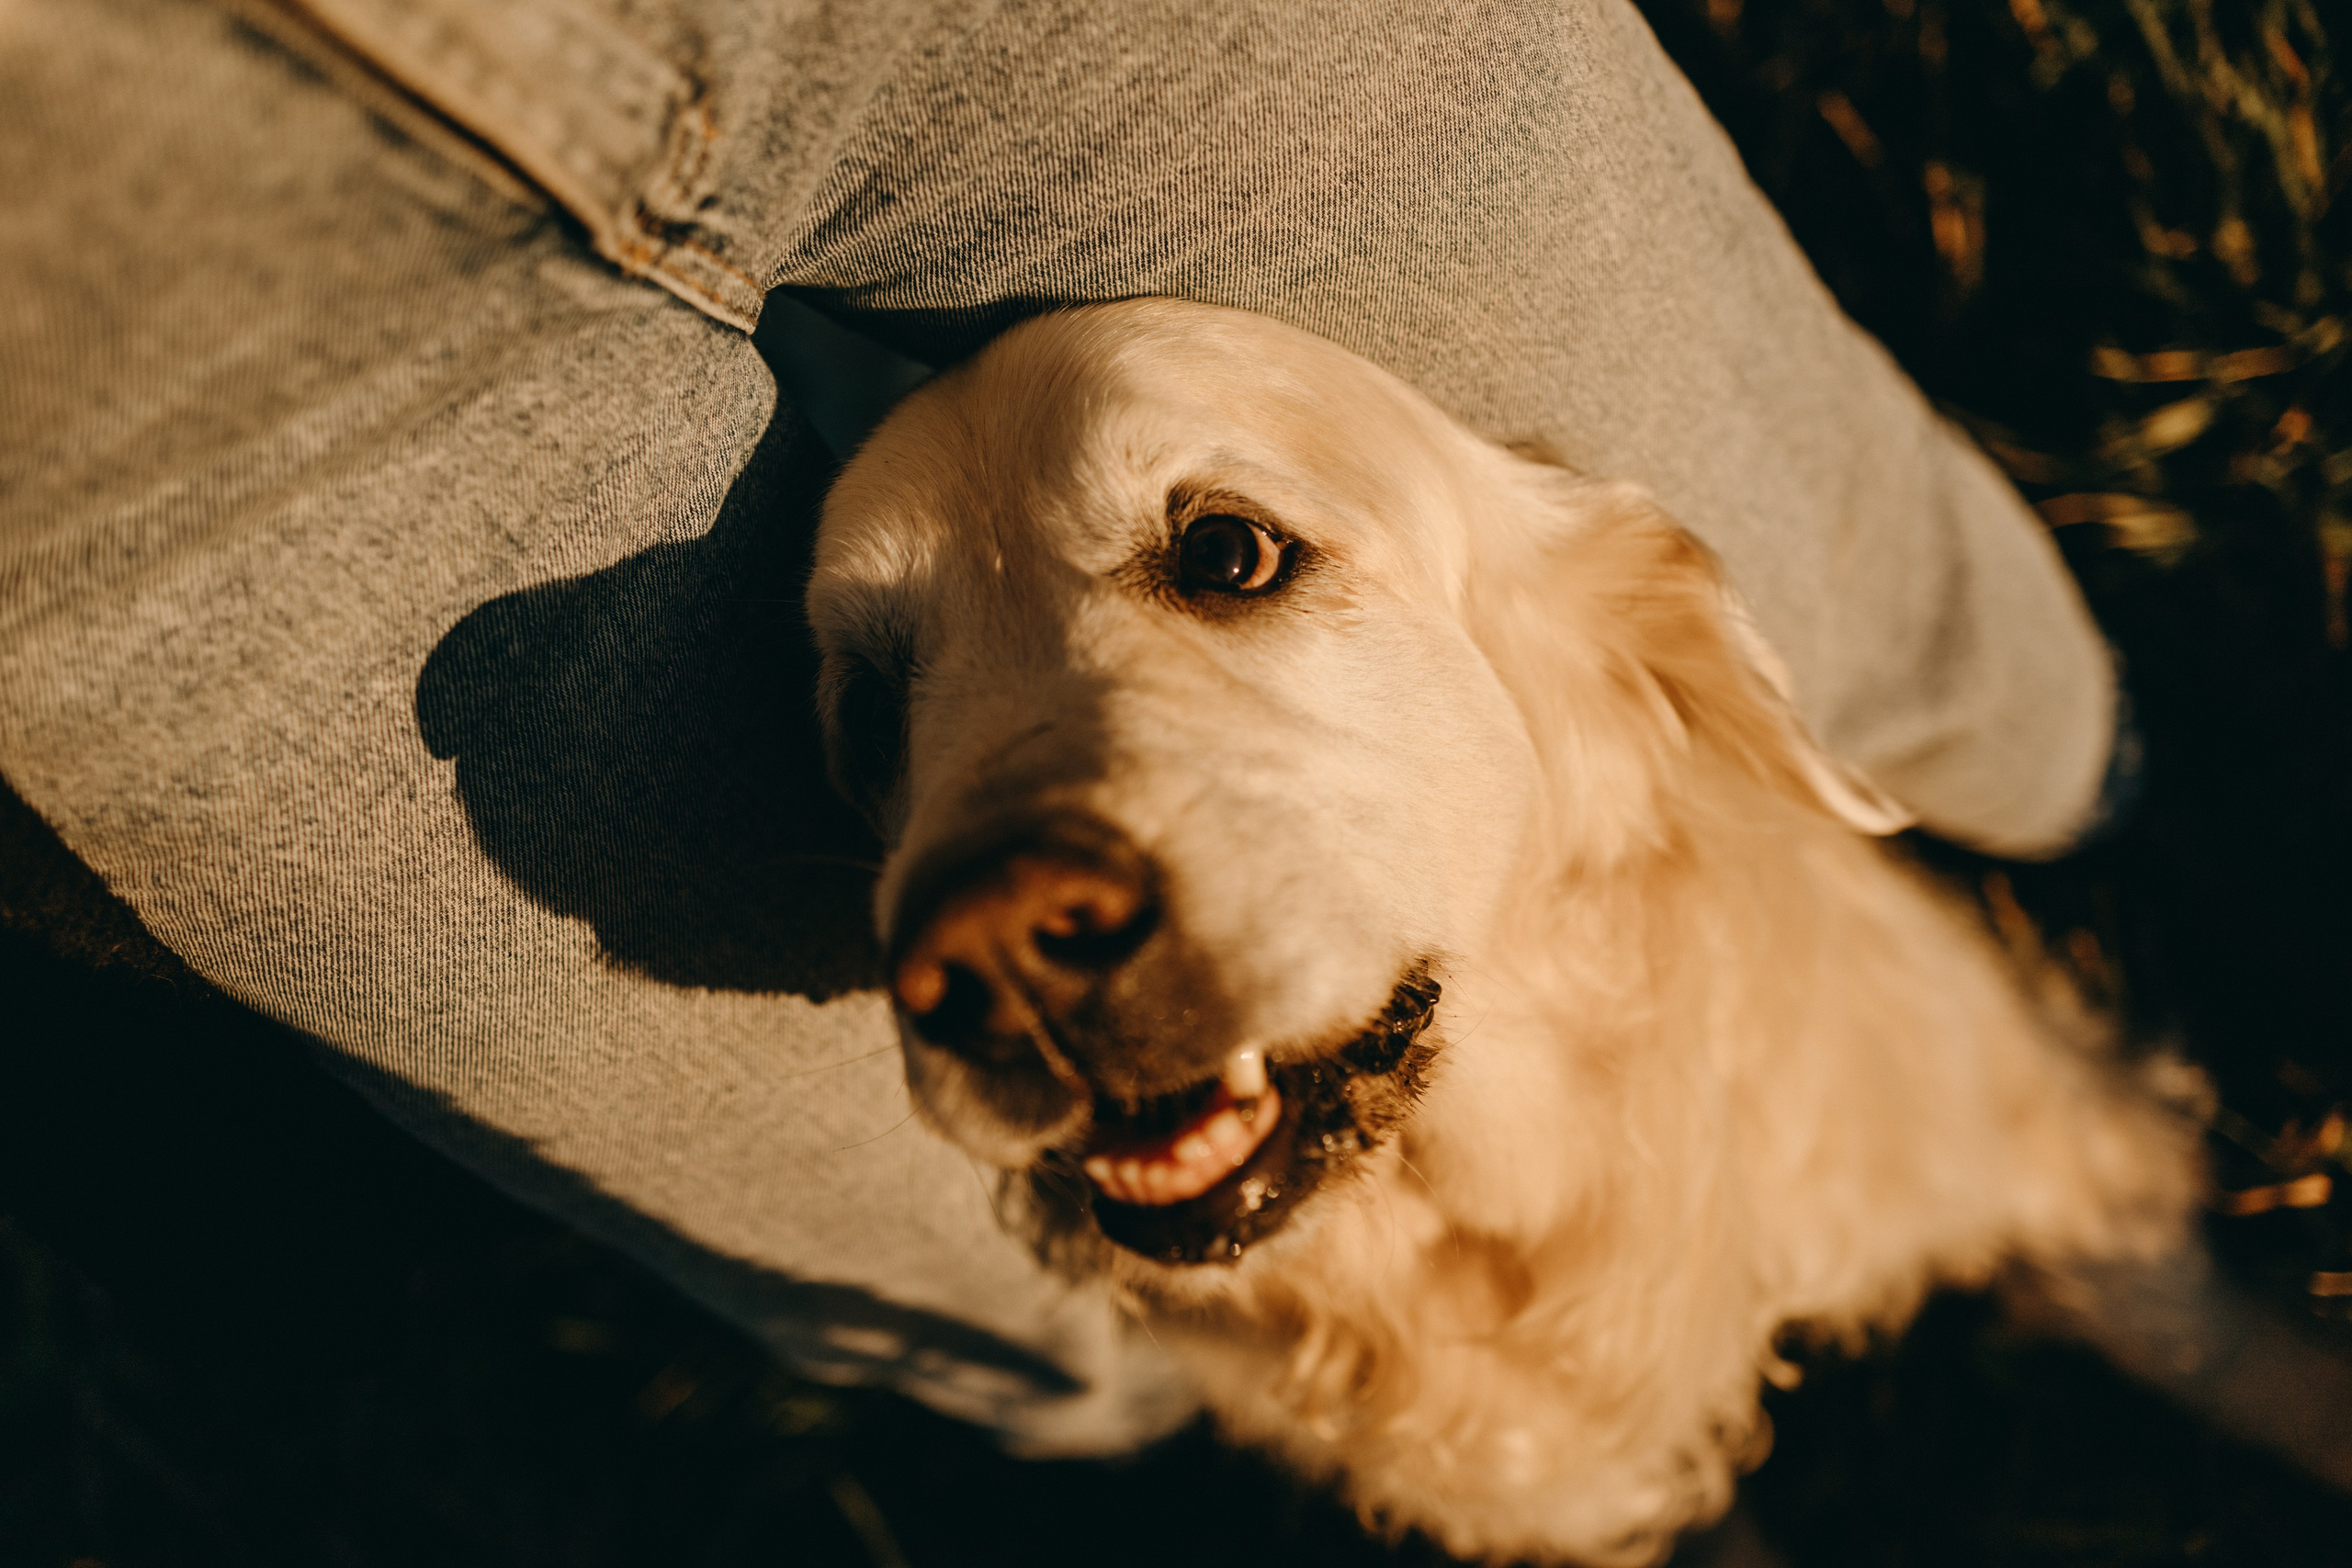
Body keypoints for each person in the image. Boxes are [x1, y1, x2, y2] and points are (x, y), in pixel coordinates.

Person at [0, 0, 2119, 1450]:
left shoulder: (1606, 614)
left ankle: (2081, 782)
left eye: (1224, 558)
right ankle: (1472, 1451)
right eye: (876, 706)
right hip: (107, 374)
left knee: (1840, 549)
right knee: (989, 1285)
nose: (977, 895)